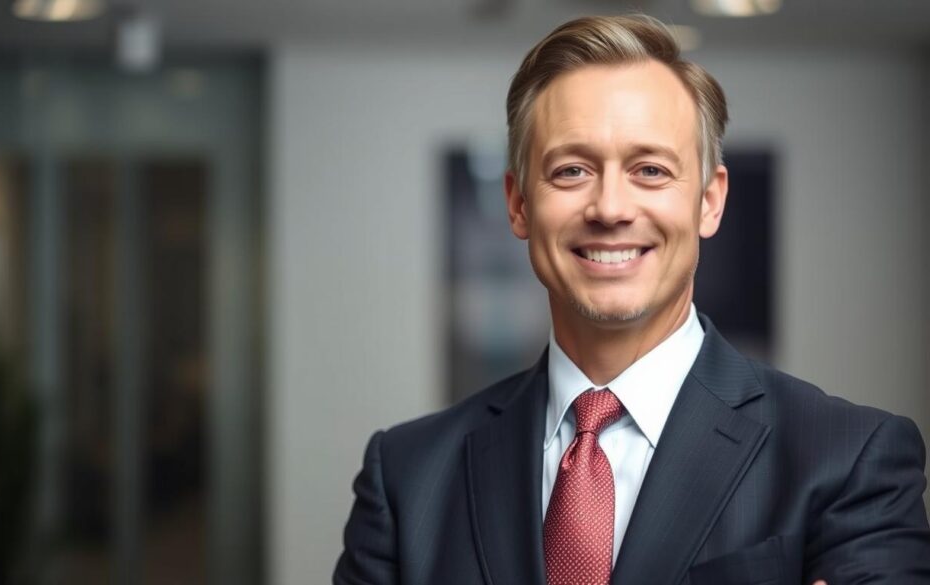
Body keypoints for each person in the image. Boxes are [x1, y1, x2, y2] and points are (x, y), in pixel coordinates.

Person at [333, 14, 930, 585]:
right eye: (571, 171)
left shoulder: (849, 461)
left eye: (649, 170)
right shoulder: (407, 478)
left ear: (709, 200)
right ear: (518, 203)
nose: (611, 208)